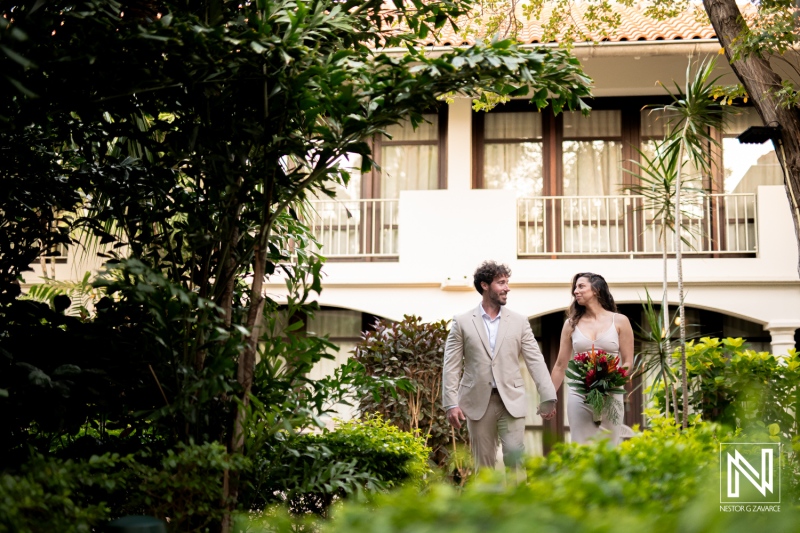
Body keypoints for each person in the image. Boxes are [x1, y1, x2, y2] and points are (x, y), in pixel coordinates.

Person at [442, 260, 557, 470]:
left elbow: (536, 361)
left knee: (516, 462)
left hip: (512, 401)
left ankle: (517, 503)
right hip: (477, 403)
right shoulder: (462, 321)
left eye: (507, 282)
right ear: (485, 286)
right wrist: (451, 403)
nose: (507, 288)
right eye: (501, 283)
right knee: (483, 465)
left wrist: (548, 396)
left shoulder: (520, 321)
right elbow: (451, 365)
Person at [550, 272, 634, 445]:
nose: (575, 291)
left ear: (596, 289)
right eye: (575, 288)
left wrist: (611, 379)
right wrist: (548, 397)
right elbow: (560, 365)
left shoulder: (620, 321)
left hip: (611, 394)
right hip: (580, 394)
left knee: (608, 448)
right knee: (581, 446)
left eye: (581, 286)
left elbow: (628, 362)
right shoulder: (571, 324)